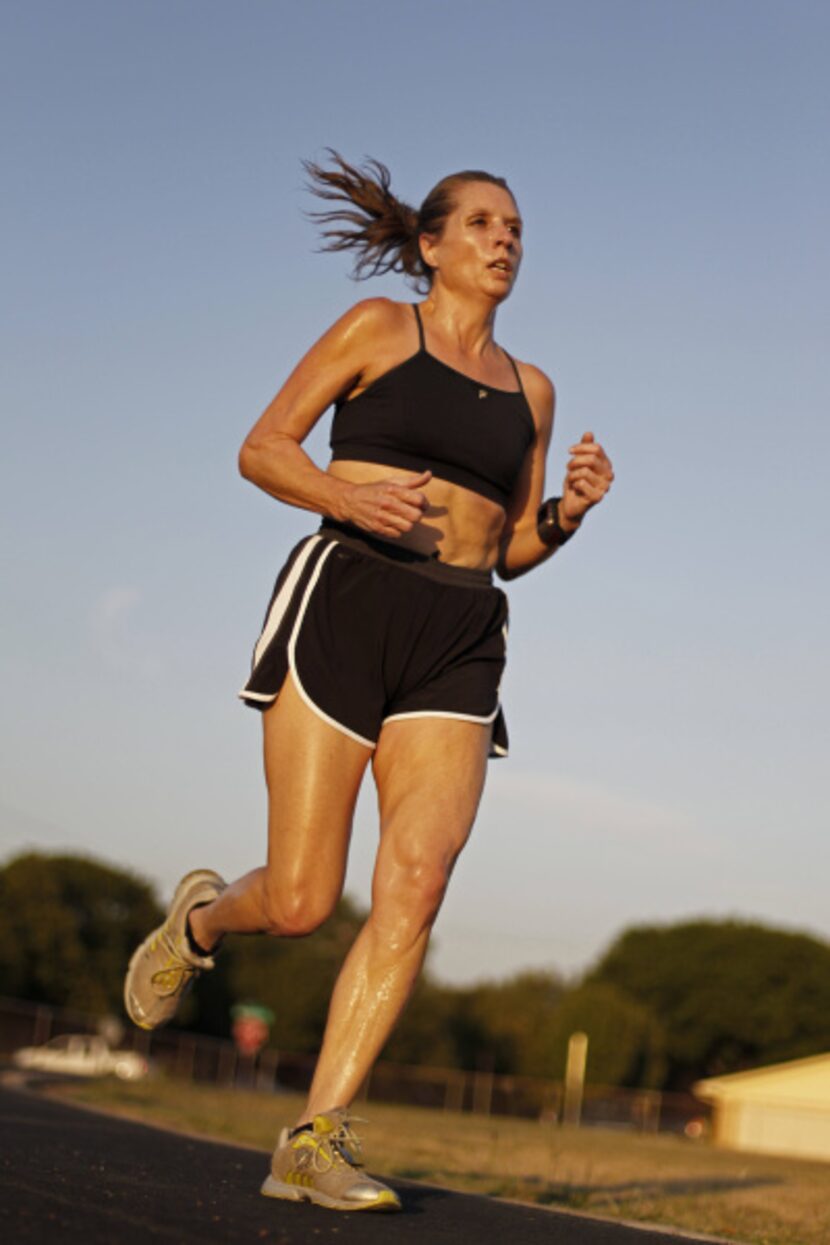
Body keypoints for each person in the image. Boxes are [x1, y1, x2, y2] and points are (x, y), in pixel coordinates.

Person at [124, 153, 614, 1212]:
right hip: (347, 596)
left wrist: (567, 512)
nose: (503, 239)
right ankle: (201, 924)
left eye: (516, 227)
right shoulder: (377, 331)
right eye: (482, 222)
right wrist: (346, 502)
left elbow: (511, 544)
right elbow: (264, 450)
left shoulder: (531, 388)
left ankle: (314, 1136)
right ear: (430, 244)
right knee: (302, 901)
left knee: (417, 882)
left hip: (461, 628)